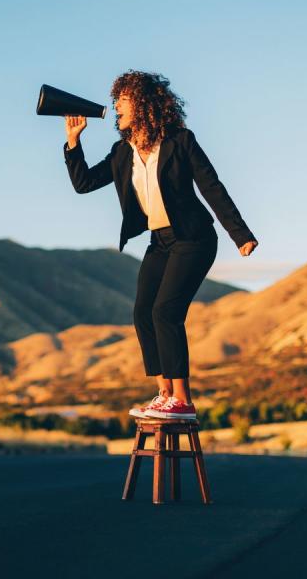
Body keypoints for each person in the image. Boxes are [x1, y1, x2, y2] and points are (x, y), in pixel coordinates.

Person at [62, 70, 258, 420]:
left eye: (123, 98)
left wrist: (240, 234)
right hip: (160, 241)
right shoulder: (122, 152)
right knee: (143, 313)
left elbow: (212, 187)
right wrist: (73, 142)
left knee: (165, 311)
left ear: (145, 102)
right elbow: (84, 183)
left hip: (193, 238)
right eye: (116, 99)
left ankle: (182, 399)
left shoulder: (180, 141)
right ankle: (163, 392)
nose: (116, 105)